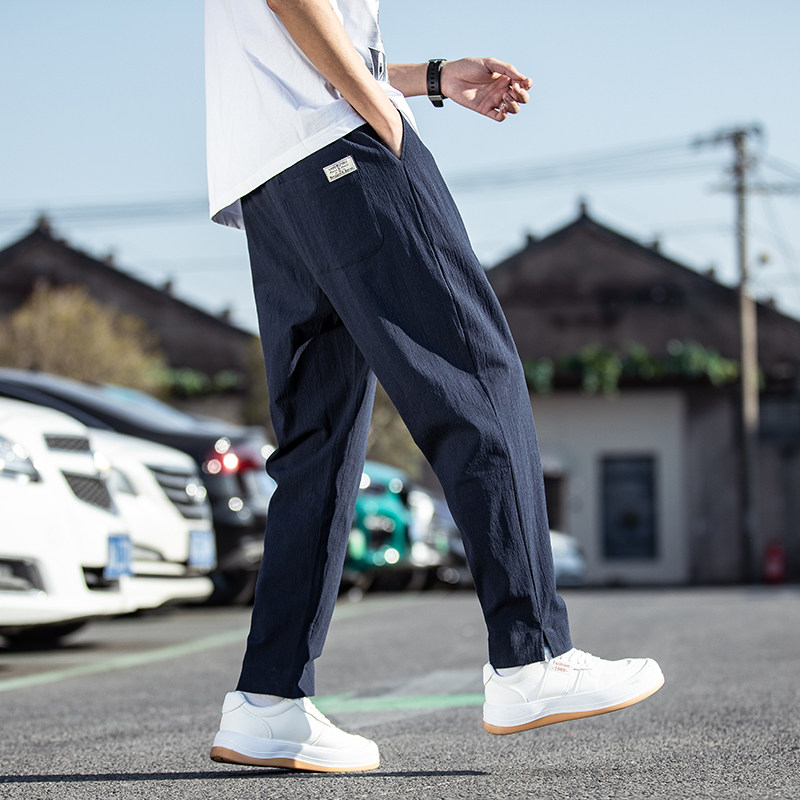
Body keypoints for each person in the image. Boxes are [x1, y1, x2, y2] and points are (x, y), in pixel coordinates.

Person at [204, 0, 664, 773]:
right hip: (338, 138)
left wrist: (431, 79)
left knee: (318, 443)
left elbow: (298, 35)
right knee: (474, 375)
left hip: (270, 172)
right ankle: (532, 654)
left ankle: (268, 701)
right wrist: (377, 111)